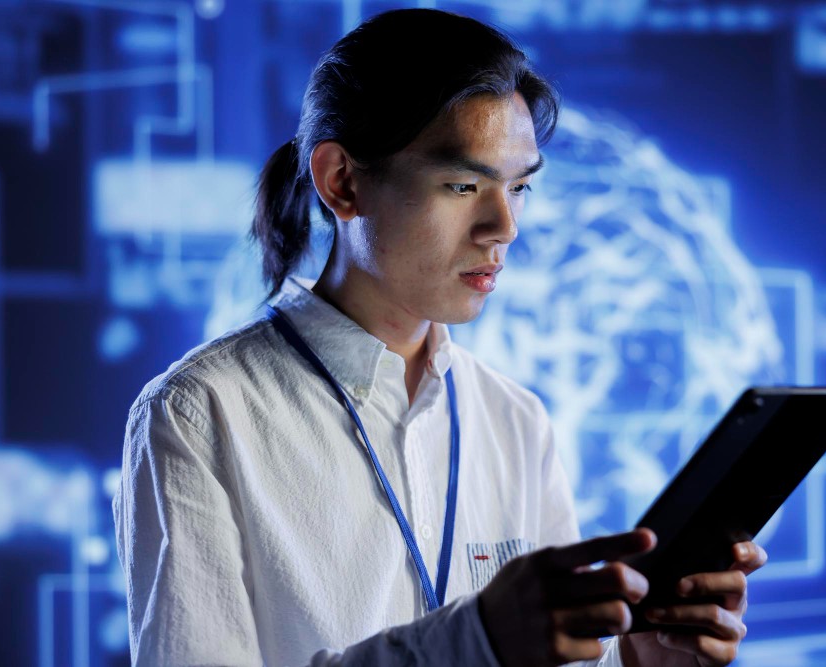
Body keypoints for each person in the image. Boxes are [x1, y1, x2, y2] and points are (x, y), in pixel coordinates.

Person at [113, 8, 767, 667]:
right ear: (342, 181)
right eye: (463, 184)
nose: (504, 226)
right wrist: (473, 640)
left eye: (519, 187)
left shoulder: (515, 420)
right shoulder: (200, 414)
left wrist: (641, 658)